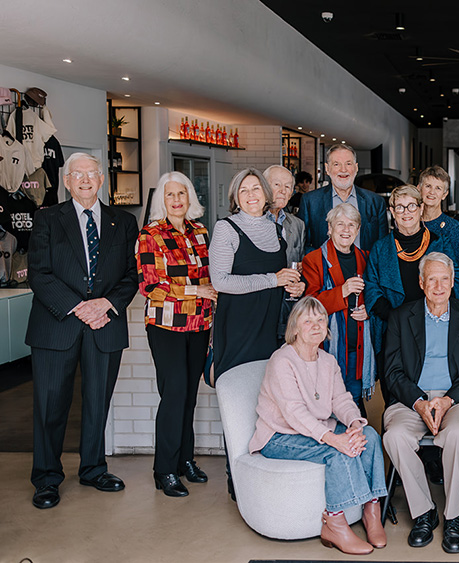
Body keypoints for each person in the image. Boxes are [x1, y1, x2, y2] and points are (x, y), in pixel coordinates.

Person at [26, 152, 139, 509]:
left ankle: (93, 468)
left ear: (102, 179)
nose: (85, 180)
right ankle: (46, 478)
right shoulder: (46, 219)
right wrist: (80, 308)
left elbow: (131, 276)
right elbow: (39, 273)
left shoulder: (123, 221)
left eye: (92, 174)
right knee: (49, 406)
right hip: (56, 325)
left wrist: (104, 305)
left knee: (96, 403)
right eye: (78, 174)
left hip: (104, 324)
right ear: (67, 181)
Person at [248, 297, 387, 555]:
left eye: (321, 319)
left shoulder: (327, 361)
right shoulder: (282, 360)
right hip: (279, 435)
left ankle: (371, 509)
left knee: (369, 435)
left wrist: (354, 424)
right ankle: (334, 522)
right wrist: (334, 439)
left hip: (315, 429)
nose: (316, 325)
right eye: (308, 320)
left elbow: (340, 399)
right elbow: (294, 412)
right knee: (335, 452)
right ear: (295, 328)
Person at [382, 252, 459, 553]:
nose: (438, 286)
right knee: (395, 437)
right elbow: (392, 371)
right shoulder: (402, 317)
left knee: (455, 434)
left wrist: (446, 400)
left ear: (453, 282)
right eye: (432, 279)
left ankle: (452, 516)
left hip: (456, 400)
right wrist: (419, 403)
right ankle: (424, 511)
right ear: (421, 282)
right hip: (411, 400)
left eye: (444, 279)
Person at [136, 171, 217, 497]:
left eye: (181, 194)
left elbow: (214, 278)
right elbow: (151, 286)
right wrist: (198, 289)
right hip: (166, 326)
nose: (176, 200)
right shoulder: (150, 235)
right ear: (162, 200)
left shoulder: (200, 232)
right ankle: (164, 470)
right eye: (170, 195)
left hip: (199, 325)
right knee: (174, 395)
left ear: (190, 197)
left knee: (189, 397)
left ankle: (185, 460)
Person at [209, 168, 303, 378]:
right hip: (238, 328)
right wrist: (273, 280)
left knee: (268, 395)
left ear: (265, 193)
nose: (251, 195)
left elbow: (281, 278)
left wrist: (294, 286)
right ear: (236, 197)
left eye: (256, 188)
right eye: (244, 191)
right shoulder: (226, 228)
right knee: (236, 394)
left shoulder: (277, 231)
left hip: (270, 327)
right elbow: (220, 282)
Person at [365, 185, 459, 356]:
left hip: (436, 328)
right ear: (392, 212)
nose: (406, 212)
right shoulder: (380, 248)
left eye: (411, 205)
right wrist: (397, 318)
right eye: (399, 207)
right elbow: (371, 288)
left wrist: (434, 312)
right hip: (394, 331)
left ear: (421, 208)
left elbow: (458, 279)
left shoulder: (440, 243)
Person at [302, 203, 374, 406]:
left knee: (354, 404)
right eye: (340, 224)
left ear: (358, 230)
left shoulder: (366, 258)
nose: (346, 230)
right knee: (328, 407)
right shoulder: (313, 260)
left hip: (357, 352)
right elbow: (309, 307)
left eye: (351, 225)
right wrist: (342, 291)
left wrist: (369, 310)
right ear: (329, 228)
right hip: (326, 352)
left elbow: (376, 296)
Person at [299, 145, 388, 253]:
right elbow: (303, 244)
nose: (343, 169)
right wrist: (319, 263)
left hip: (365, 268)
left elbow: (383, 245)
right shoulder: (310, 201)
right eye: (336, 164)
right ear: (327, 168)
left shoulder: (375, 202)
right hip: (324, 268)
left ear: (356, 168)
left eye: (348, 164)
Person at [263, 165, 306, 265]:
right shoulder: (250, 221)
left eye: (287, 187)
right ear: (264, 187)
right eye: (277, 184)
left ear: (291, 193)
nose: (282, 191)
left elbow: (300, 261)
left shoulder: (298, 225)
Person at [418, 165, 459, 262]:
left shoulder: (452, 227)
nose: (432, 192)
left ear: (444, 194)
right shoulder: (411, 223)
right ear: (419, 189)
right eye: (428, 186)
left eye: (438, 188)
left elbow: (456, 266)